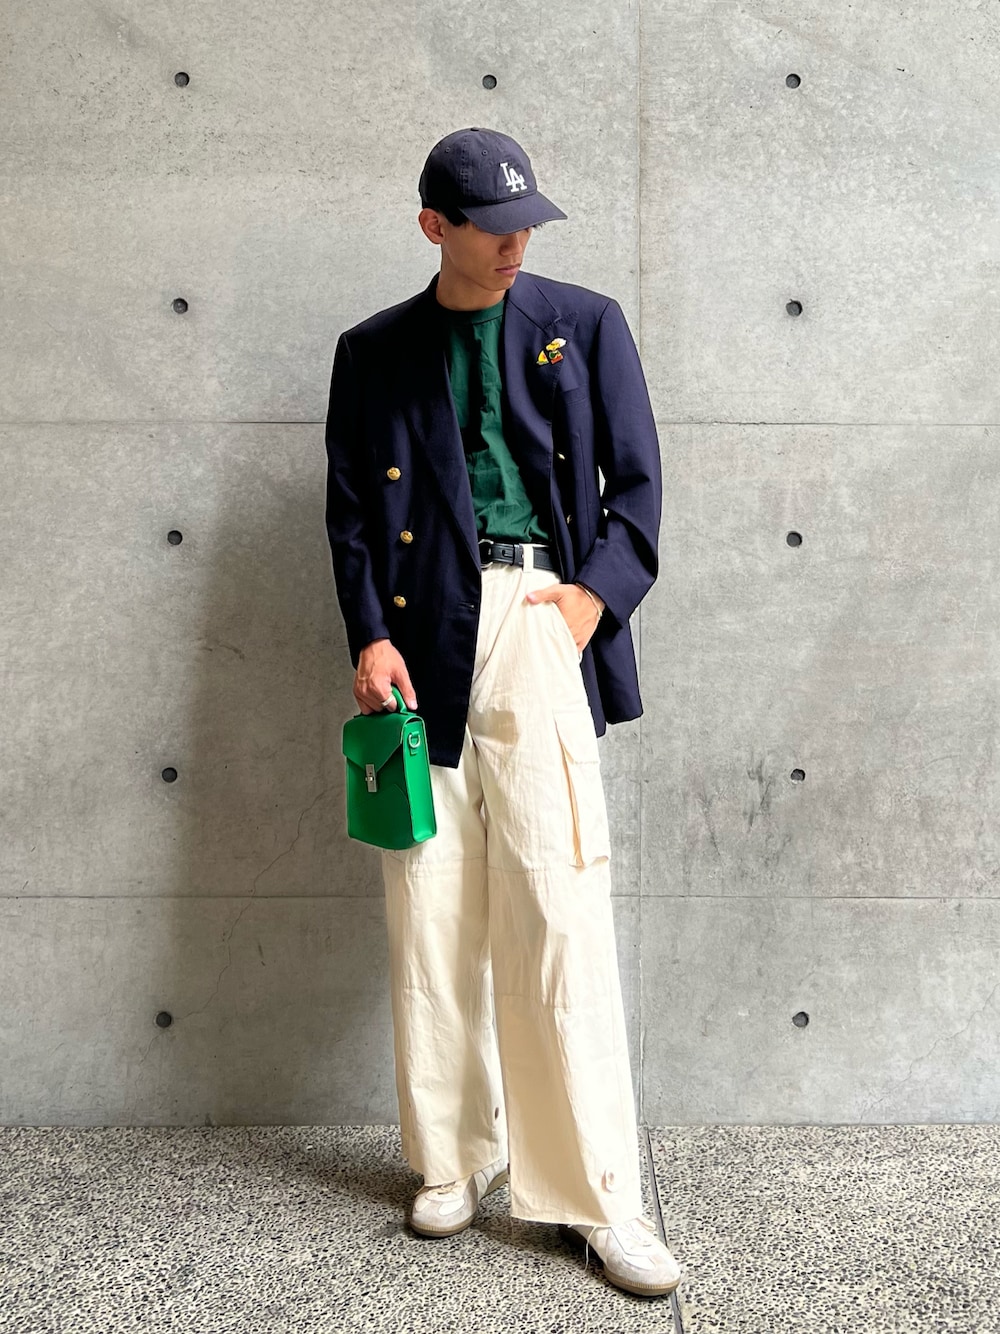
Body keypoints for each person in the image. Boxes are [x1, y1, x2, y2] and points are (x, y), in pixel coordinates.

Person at [323, 126, 680, 1298]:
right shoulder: (372, 351)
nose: (516, 244)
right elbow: (349, 516)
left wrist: (589, 599)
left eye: (527, 222)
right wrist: (368, 634)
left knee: (557, 908)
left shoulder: (586, 322)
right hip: (416, 635)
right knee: (428, 907)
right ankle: (450, 1158)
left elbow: (637, 486)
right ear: (435, 225)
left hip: (537, 617)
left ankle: (597, 1195)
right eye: (492, 228)